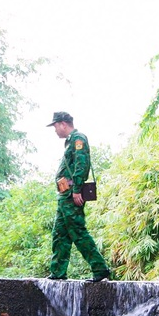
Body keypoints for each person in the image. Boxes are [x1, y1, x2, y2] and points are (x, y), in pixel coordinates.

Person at [47, 111, 111, 282]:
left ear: (63, 124)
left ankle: (100, 268)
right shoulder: (69, 142)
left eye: (55, 126)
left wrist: (76, 189)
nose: (55, 130)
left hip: (71, 193)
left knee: (77, 231)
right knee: (60, 233)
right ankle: (58, 272)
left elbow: (82, 165)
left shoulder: (78, 139)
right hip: (64, 194)